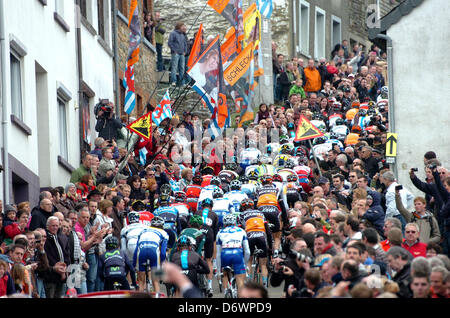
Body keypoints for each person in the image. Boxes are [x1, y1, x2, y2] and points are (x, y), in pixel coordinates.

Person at [216, 214, 250, 296]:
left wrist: (218, 270)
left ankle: (226, 292)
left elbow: (218, 254)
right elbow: (247, 251)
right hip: (237, 253)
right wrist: (245, 265)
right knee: (240, 278)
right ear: (235, 222)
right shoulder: (242, 231)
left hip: (225, 253)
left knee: (225, 274)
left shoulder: (220, 232)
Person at [133, 216, 169, 293]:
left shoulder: (143, 231)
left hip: (141, 251)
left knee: (141, 282)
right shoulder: (165, 233)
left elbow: (136, 250)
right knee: (156, 282)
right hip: (154, 252)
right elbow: (163, 253)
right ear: (162, 226)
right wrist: (162, 263)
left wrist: (133, 264)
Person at [43, 216, 71, 298]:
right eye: (53, 226)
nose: (55, 228)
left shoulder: (62, 237)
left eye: (56, 225)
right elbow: (47, 256)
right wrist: (55, 268)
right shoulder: (45, 239)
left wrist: (66, 268)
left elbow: (67, 254)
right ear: (47, 226)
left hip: (62, 275)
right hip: (50, 276)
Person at [168, 21, 188, 86]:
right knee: (174, 67)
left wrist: (185, 51)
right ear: (179, 27)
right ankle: (173, 81)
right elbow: (170, 43)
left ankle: (182, 82)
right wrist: (174, 50)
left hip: (182, 54)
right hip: (175, 53)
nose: (184, 27)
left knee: (182, 68)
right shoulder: (173, 33)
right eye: (182, 26)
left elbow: (185, 44)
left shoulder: (183, 35)